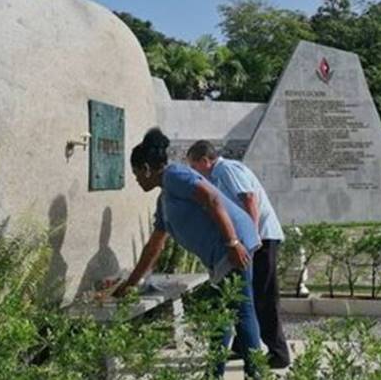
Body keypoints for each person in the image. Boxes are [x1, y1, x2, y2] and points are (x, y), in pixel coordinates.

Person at [113, 128, 262, 378]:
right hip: (221, 254)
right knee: (222, 313)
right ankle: (213, 373)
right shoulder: (165, 200)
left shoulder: (175, 176)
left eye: (137, 173)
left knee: (241, 311)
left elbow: (213, 200)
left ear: (147, 168)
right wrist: (130, 283)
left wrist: (233, 243)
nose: (137, 180)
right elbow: (155, 245)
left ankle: (256, 373)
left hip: (234, 246)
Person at [186, 141, 290, 369]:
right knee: (245, 297)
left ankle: (279, 353)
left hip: (261, 238)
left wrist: (251, 238)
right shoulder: (218, 174)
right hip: (253, 240)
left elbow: (249, 199)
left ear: (205, 160)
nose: (194, 172)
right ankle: (242, 346)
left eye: (194, 166)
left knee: (262, 297)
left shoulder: (226, 169)